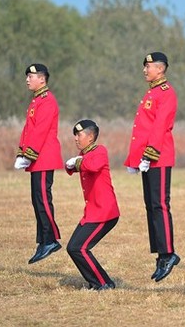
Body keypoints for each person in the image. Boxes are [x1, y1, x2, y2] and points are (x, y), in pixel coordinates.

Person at [124, 52, 180, 282]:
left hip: (159, 156)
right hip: (148, 158)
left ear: (161, 68)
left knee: (160, 205)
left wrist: (149, 155)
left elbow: (159, 126)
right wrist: (134, 159)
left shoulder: (166, 93)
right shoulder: (152, 92)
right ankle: (160, 254)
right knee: (151, 206)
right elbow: (142, 129)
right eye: (145, 66)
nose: (145, 70)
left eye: (148, 66)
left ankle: (168, 254)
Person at [15, 63, 64, 264]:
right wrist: (21, 151)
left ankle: (50, 240)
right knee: (37, 199)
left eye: (31, 76)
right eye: (27, 76)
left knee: (43, 199)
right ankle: (43, 240)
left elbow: (41, 130)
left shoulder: (47, 100)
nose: (27, 79)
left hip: (43, 157)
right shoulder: (37, 100)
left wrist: (30, 154)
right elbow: (28, 129)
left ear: (42, 79)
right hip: (37, 158)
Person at [65, 120, 119, 290]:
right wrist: (71, 165)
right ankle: (103, 282)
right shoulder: (85, 154)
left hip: (104, 213)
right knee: (73, 247)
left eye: (78, 135)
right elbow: (73, 168)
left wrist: (76, 163)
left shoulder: (99, 151)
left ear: (90, 137)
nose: (75, 138)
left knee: (79, 248)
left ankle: (102, 284)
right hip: (92, 213)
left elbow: (93, 166)